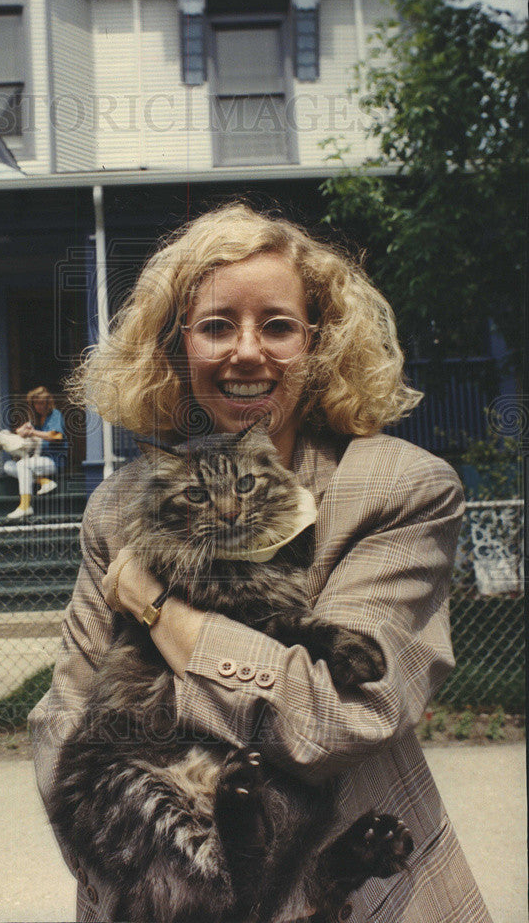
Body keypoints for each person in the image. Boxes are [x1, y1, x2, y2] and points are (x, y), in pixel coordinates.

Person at [29, 202, 493, 922]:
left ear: (318, 343)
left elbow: (334, 716)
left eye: (277, 325)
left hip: (356, 893)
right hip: (165, 882)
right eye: (216, 326)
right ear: (176, 348)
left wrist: (160, 611)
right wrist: (144, 867)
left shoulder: (395, 487)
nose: (247, 353)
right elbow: (64, 719)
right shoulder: (119, 506)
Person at [3, 386, 66, 520]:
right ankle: (44, 481)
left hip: (53, 461)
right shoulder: (36, 419)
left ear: (48, 402)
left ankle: (25, 506)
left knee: (22, 466)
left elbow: (56, 436)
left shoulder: (55, 415)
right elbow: (29, 436)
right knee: (8, 466)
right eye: (35, 403)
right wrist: (22, 431)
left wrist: (33, 432)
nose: (38, 406)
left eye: (41, 403)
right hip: (36, 462)